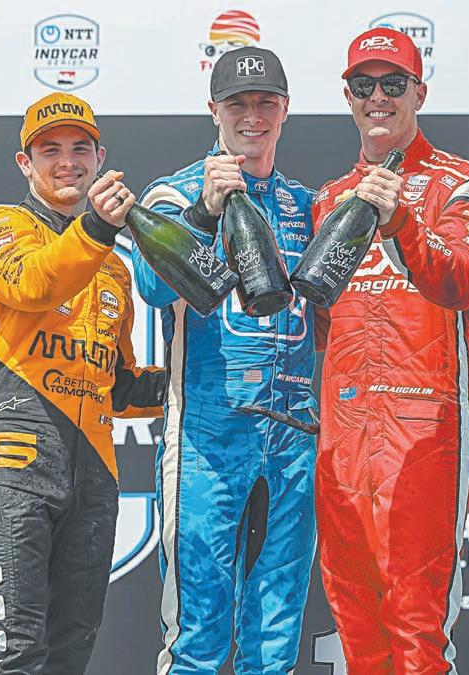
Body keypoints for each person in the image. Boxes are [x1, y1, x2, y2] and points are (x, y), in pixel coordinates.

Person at [312, 27, 469, 674]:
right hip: (343, 434)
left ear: (418, 93)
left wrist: (400, 222)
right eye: (363, 84)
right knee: (357, 633)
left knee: (418, 634)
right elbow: (322, 324)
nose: (378, 97)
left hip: (423, 431)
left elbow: (461, 281)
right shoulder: (328, 200)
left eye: (392, 83)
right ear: (346, 96)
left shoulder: (463, 184)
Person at [0, 92, 166, 674]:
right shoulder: (2, 228)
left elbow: (117, 385)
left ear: (101, 158)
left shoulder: (114, 266)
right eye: (50, 151)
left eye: (80, 148)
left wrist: (192, 381)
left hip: (94, 476)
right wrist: (98, 226)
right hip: (13, 461)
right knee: (15, 653)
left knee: (70, 658)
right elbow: (34, 284)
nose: (67, 161)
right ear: (25, 164)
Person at [132, 47, 318, 674]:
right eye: (238, 104)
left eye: (266, 103)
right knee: (198, 637)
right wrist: (204, 214)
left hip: (293, 443)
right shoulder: (175, 194)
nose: (252, 116)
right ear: (213, 110)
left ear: (285, 110)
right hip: (208, 444)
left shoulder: (304, 203)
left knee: (275, 641)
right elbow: (151, 288)